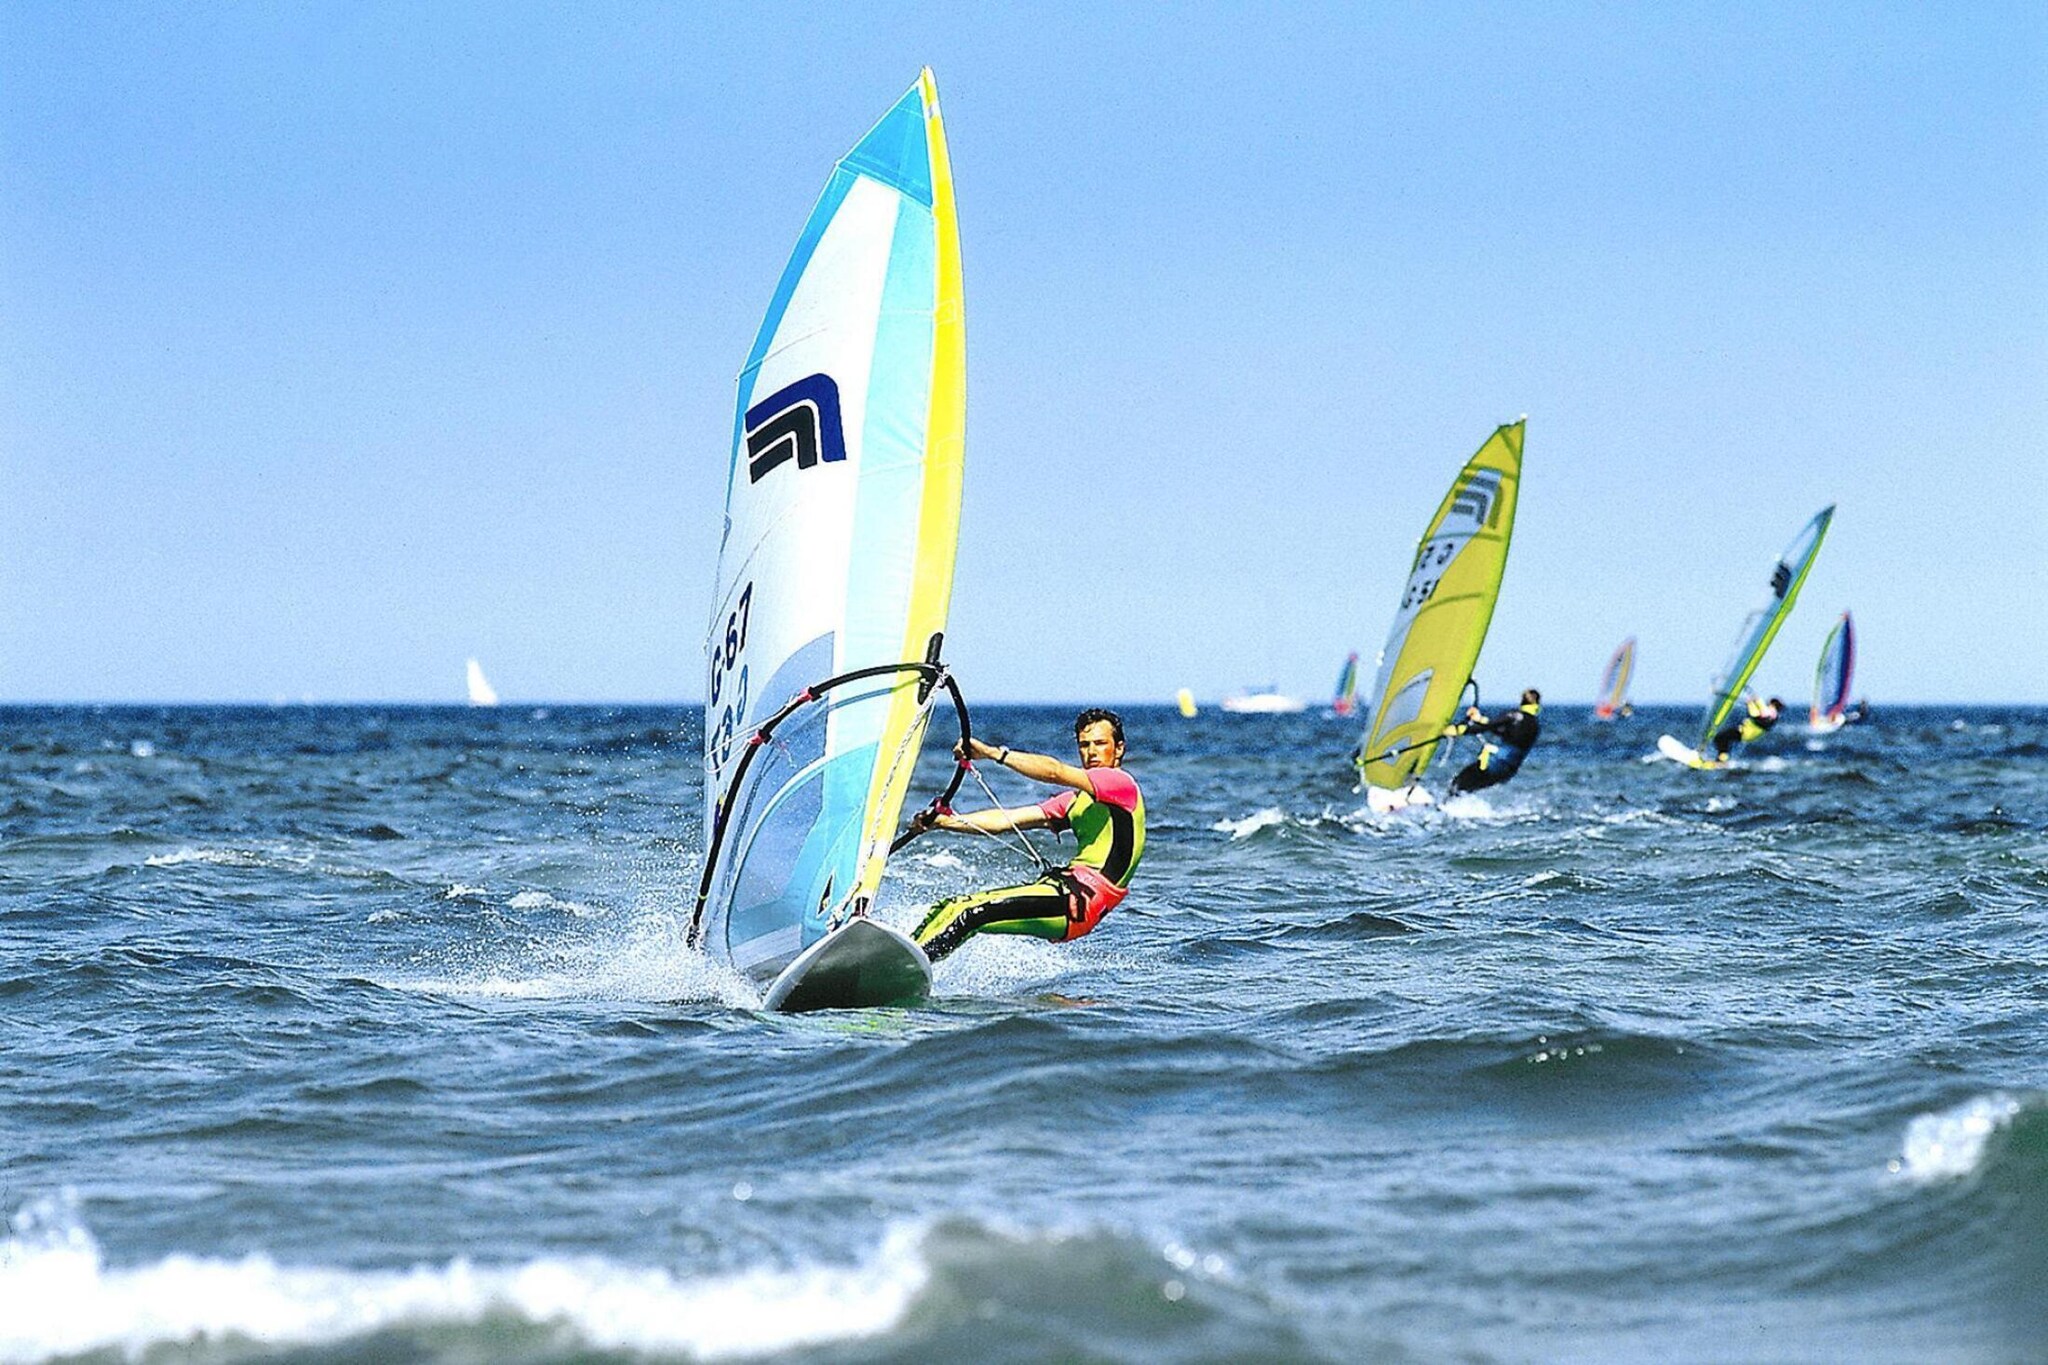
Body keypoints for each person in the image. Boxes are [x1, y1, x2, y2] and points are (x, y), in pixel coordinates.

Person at [904, 708, 1145, 963]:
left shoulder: (1120, 784)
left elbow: (1055, 772)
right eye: (1084, 745)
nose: (1092, 751)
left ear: (1119, 749)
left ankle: (907, 967)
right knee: (950, 907)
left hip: (1078, 903)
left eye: (1100, 743)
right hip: (1061, 891)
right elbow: (1006, 820)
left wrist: (992, 753)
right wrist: (944, 822)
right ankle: (902, 954)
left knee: (969, 913)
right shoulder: (1074, 802)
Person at [1443, 688, 1542, 795]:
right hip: (1507, 772)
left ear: (1522, 700)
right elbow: (1502, 731)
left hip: (1494, 764)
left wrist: (1459, 730)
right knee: (1467, 789)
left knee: (1458, 783)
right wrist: (1480, 719)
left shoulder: (1514, 715)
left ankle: (1443, 807)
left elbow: (1488, 726)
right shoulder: (1535, 725)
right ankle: (1455, 808)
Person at [1711, 695, 1783, 761]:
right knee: (1725, 739)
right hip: (1750, 734)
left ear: (1772, 704)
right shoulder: (1774, 715)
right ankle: (1722, 758)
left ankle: (1722, 760)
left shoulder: (1770, 712)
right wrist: (1754, 702)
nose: (1767, 705)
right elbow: (1760, 713)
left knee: (1720, 738)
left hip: (1746, 732)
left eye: (1769, 704)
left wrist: (1750, 703)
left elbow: (1755, 714)